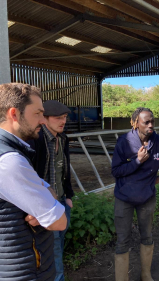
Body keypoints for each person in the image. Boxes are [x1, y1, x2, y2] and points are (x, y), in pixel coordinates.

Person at [0, 83, 67, 280]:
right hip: (25, 271)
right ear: (14, 114)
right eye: (38, 113)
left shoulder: (15, 151)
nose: (42, 120)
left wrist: (46, 197)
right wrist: (48, 199)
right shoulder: (10, 161)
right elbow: (58, 221)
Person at [111, 107, 159, 281]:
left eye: (152, 121)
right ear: (136, 124)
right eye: (146, 122)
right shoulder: (124, 142)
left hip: (147, 198)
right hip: (124, 198)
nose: (151, 125)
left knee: (147, 236)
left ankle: (146, 274)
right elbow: (116, 171)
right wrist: (137, 161)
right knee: (122, 240)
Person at [28, 100, 74, 281]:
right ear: (44, 119)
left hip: (62, 201)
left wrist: (69, 196)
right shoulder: (36, 140)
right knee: (52, 251)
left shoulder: (62, 139)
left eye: (64, 118)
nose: (63, 121)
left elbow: (65, 169)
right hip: (46, 206)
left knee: (58, 246)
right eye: (58, 118)